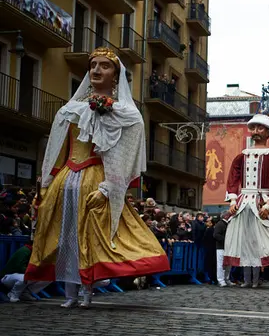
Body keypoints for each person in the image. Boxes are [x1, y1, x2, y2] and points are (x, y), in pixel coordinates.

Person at [25, 47, 169, 309]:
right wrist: (46, 184)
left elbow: (124, 157)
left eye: (104, 65)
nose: (96, 70)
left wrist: (108, 188)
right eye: (93, 65)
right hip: (66, 181)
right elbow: (58, 151)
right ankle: (70, 293)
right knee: (66, 237)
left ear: (116, 75)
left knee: (90, 238)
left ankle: (87, 292)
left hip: (96, 181)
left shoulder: (126, 113)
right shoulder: (71, 110)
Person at [224, 114, 269, 288]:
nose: (256, 131)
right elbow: (233, 178)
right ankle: (246, 279)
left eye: (260, 128)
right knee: (244, 241)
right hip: (243, 202)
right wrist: (233, 200)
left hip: (261, 201)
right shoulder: (241, 156)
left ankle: (256, 279)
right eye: (254, 128)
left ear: (268, 132)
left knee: (258, 242)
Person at [213, 212, 231, 286]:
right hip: (221, 247)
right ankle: (221, 280)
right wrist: (226, 240)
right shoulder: (220, 224)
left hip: (228, 247)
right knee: (221, 264)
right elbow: (216, 235)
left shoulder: (228, 224)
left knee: (228, 264)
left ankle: (226, 279)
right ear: (226, 216)